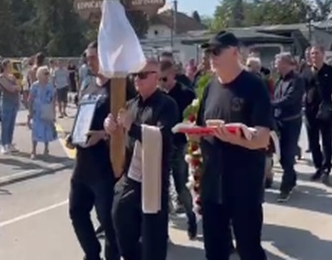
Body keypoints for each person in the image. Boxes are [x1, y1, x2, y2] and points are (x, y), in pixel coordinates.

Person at [195, 31, 272, 260]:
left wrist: (234, 138)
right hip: (212, 184)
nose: (212, 56)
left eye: (217, 51)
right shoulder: (210, 88)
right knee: (214, 251)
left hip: (243, 185)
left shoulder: (253, 86)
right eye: (209, 51)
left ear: (235, 52)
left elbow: (262, 138)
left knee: (249, 250)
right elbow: (201, 128)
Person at [105, 58, 178, 260]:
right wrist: (110, 127)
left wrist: (133, 127)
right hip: (130, 178)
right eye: (135, 75)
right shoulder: (130, 104)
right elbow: (119, 135)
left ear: (156, 77)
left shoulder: (167, 104)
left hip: (153, 181)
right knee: (120, 224)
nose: (137, 79)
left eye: (143, 75)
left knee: (153, 241)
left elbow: (162, 137)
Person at [67, 41, 128, 260]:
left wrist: (102, 135)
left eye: (93, 57)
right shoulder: (89, 84)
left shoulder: (119, 88)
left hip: (104, 168)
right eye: (87, 57)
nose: (89, 61)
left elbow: (128, 125)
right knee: (76, 212)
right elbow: (82, 117)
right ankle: (92, 254)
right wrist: (73, 135)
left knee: (108, 223)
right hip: (82, 165)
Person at [158, 59, 197, 239]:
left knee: (181, 186)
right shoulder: (157, 94)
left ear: (173, 75)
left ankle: (191, 218)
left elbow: (193, 118)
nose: (161, 83)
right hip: (159, 146)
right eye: (158, 79)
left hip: (178, 144)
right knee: (160, 189)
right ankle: (162, 231)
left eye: (164, 79)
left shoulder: (185, 94)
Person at [302, 45, 332, 185]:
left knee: (327, 142)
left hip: (326, 110)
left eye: (317, 53)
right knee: (313, 142)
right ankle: (318, 167)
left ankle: (326, 169)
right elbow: (302, 91)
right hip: (310, 111)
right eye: (312, 54)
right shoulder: (305, 72)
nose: (314, 56)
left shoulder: (331, 71)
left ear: (323, 54)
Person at [272, 53, 304, 202]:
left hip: (291, 122)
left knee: (288, 154)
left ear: (285, 63)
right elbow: (276, 97)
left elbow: (290, 99)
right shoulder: (280, 80)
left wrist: (271, 104)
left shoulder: (296, 80)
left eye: (277, 62)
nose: (275, 65)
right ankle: (292, 178)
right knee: (282, 156)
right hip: (279, 122)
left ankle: (285, 189)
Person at [28, 66, 57, 158]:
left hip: (47, 109)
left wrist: (54, 112)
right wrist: (30, 111)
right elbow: (30, 99)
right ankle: (33, 150)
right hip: (37, 111)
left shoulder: (50, 86)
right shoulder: (35, 85)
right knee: (35, 130)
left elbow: (53, 99)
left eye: (47, 73)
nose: (47, 75)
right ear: (39, 75)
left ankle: (46, 149)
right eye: (45, 73)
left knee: (47, 130)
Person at [0, 59, 21, 154]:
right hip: (6, 102)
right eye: (9, 66)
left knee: (11, 124)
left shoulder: (12, 76)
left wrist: (16, 88)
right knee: (5, 124)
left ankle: (9, 143)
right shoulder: (1, 77)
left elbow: (19, 88)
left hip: (14, 101)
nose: (11, 67)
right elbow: (9, 88)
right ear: (5, 67)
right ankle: (3, 145)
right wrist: (15, 87)